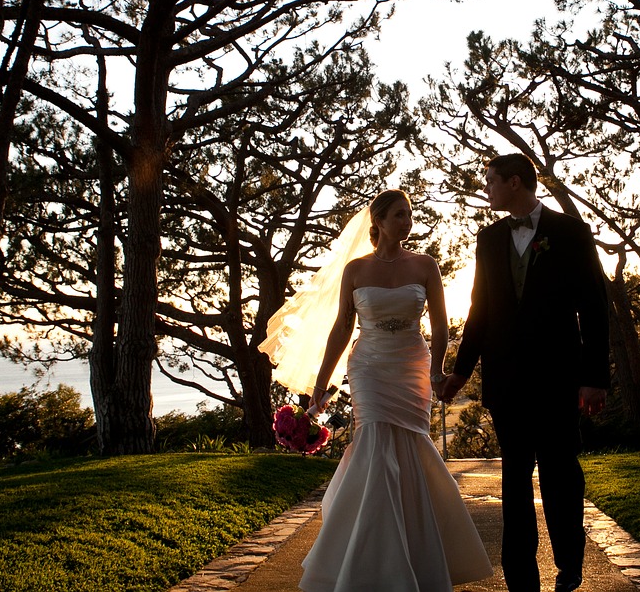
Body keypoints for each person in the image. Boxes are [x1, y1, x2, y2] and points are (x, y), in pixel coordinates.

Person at [261, 189, 492, 592]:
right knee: (374, 446)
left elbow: (439, 325)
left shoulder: (426, 266)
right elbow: (340, 328)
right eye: (400, 216)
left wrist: (438, 371)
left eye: (410, 216)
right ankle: (371, 560)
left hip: (411, 365)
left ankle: (415, 556)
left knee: (411, 447)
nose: (408, 222)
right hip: (368, 366)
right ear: (380, 221)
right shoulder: (355, 269)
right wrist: (321, 383)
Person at [438, 154, 610, 592]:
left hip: (558, 377)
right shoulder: (488, 238)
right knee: (514, 479)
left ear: (515, 182)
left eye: (492, 181)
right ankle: (520, 578)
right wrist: (461, 371)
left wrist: (594, 377)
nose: (488, 189)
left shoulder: (570, 232)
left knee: (560, 474)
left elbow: (592, 306)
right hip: (506, 379)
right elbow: (480, 309)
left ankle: (570, 567)